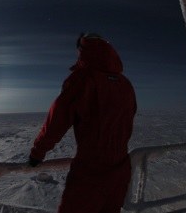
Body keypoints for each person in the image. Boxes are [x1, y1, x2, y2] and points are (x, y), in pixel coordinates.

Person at [28, 33, 137, 213]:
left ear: (82, 50)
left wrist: (37, 153)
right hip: (121, 169)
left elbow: (58, 119)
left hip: (91, 170)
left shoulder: (82, 79)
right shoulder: (125, 83)